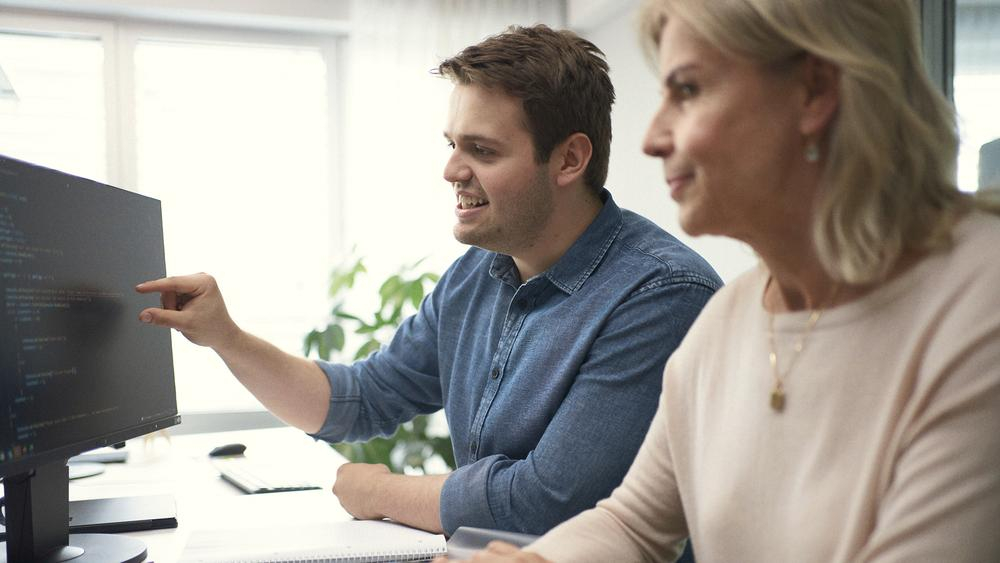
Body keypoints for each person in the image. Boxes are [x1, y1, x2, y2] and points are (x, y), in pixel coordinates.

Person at [441, 1, 1000, 561]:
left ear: (813, 92)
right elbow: (633, 524)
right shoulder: (730, 319)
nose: (653, 138)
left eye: (686, 91)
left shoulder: (979, 303)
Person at [136, 24, 721, 536]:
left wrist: (380, 492)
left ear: (569, 160)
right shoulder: (476, 276)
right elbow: (359, 400)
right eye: (452, 145)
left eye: (482, 150)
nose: (451, 171)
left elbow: (549, 504)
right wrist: (225, 337)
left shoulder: (661, 296)